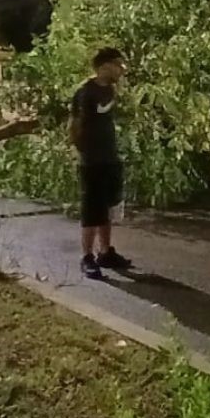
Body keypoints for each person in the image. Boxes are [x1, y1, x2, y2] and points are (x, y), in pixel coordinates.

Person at [71, 47, 132, 280]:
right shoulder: (85, 92)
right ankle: (87, 257)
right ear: (104, 66)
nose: (121, 69)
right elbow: (75, 125)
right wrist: (84, 154)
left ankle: (105, 252)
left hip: (110, 157)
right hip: (92, 161)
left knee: (108, 206)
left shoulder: (112, 90)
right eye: (118, 64)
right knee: (92, 209)